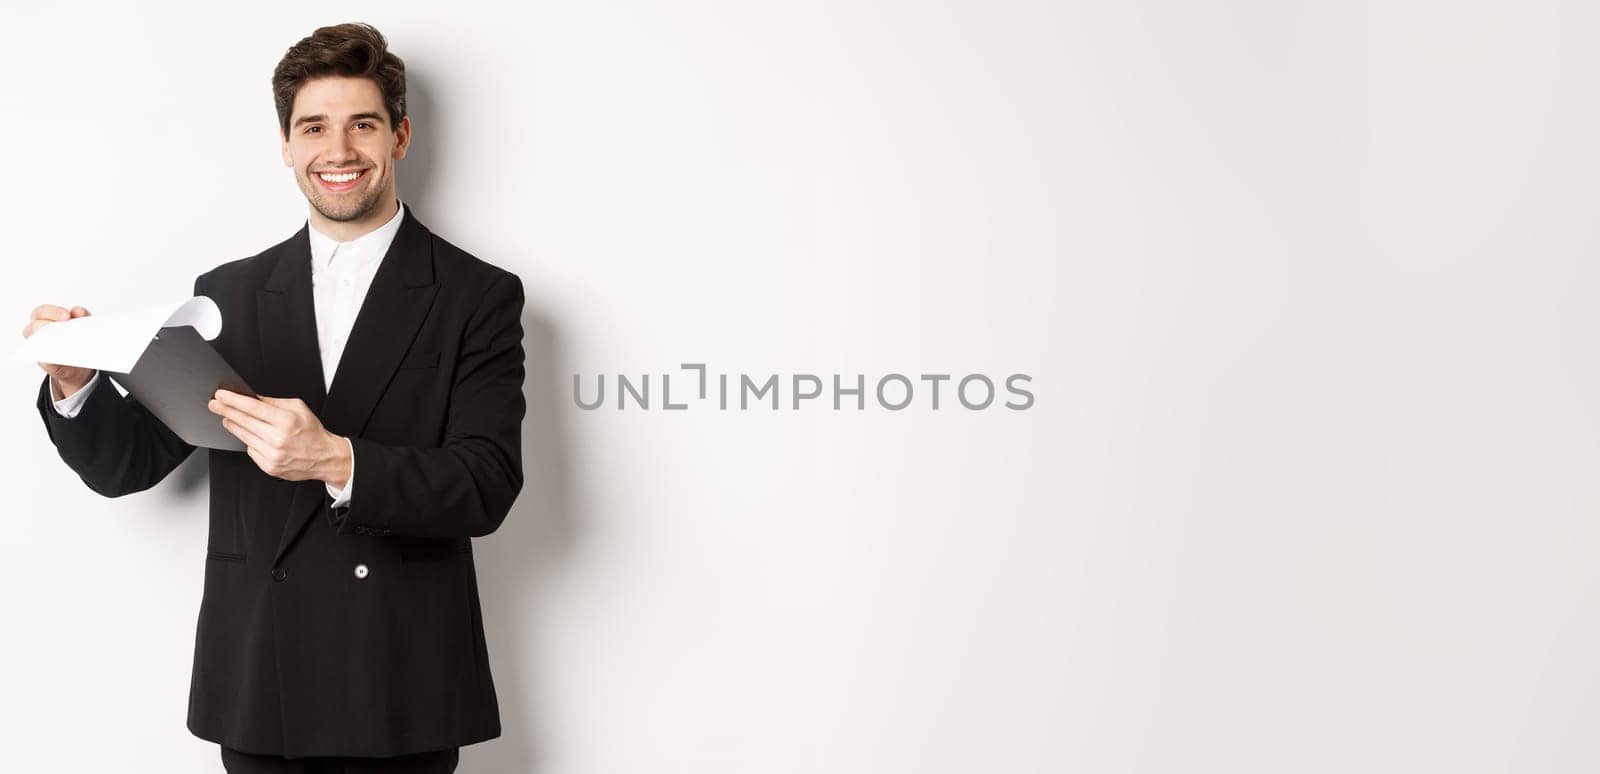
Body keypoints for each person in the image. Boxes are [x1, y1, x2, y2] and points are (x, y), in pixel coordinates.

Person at [23, 22, 524, 774]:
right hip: (263, 678)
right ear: (286, 146)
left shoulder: (476, 295)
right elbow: (129, 466)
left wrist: (336, 460)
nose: (339, 150)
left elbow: (487, 484)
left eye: (363, 124)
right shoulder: (226, 295)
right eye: (313, 127)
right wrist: (76, 381)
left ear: (400, 136)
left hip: (400, 678)